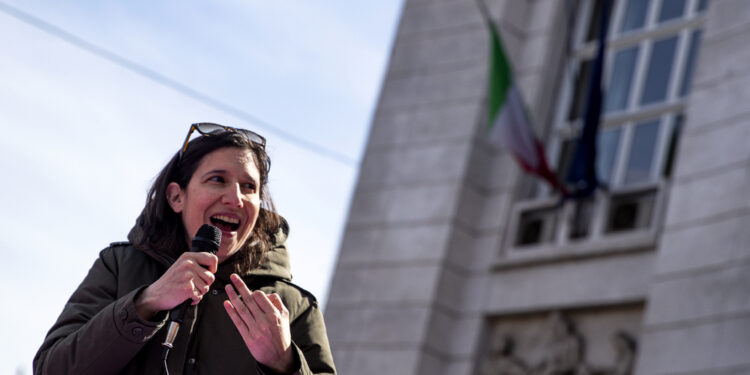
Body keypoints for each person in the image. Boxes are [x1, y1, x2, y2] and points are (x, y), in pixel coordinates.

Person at [33, 123, 336, 375]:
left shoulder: (292, 306)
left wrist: (285, 363)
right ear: (177, 197)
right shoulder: (119, 267)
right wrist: (145, 304)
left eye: (249, 187)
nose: (236, 198)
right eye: (218, 180)